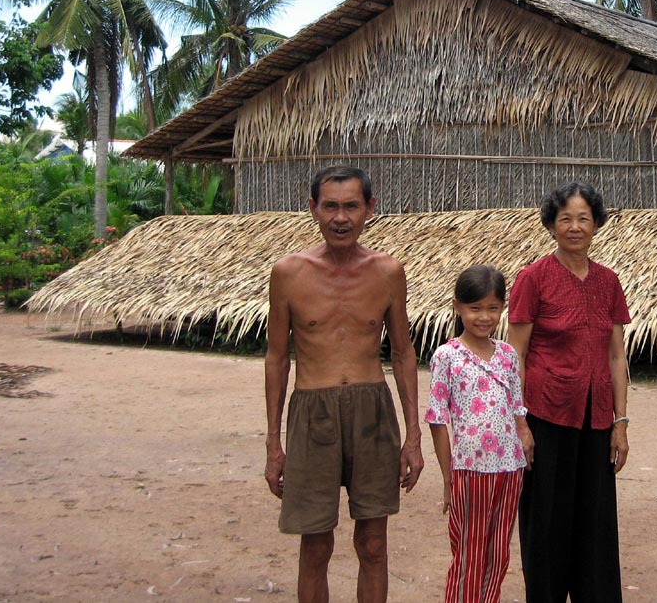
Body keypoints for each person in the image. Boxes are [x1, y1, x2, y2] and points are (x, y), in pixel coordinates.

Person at [264, 165, 424, 603]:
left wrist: (412, 435)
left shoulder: (388, 271)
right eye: (330, 206)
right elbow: (278, 358)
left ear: (369, 208)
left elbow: (404, 352)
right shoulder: (289, 273)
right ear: (312, 208)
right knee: (315, 545)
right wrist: (273, 443)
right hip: (312, 412)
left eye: (351, 206)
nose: (341, 217)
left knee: (373, 542)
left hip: (372, 412)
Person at [507, 181, 631, 603]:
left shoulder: (609, 282)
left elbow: (616, 357)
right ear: (551, 225)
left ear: (596, 223)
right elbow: (515, 356)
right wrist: (520, 423)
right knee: (546, 519)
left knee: (594, 520)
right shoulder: (533, 279)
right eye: (565, 219)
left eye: (583, 218)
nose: (575, 227)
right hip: (545, 417)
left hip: (596, 420)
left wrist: (621, 423)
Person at [425, 265, 534, 603]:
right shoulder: (447, 357)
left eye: (492, 308)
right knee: (469, 554)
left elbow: (517, 406)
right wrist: (448, 478)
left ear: (502, 308)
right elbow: (437, 419)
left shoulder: (506, 355)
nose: (484, 317)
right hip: (470, 470)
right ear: (457, 307)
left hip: (510, 468)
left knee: (498, 553)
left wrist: (525, 434)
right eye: (474, 308)